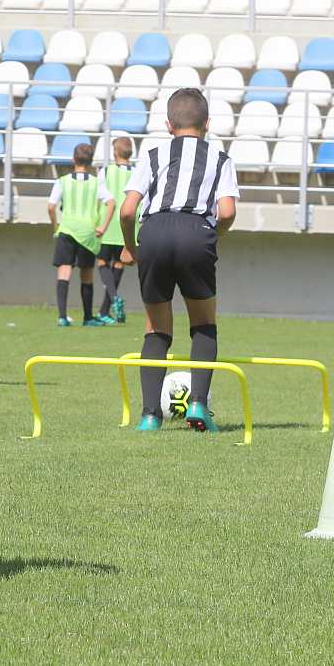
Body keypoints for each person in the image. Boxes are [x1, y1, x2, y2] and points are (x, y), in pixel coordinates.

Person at [119, 89, 239, 433]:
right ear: (208, 124)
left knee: (156, 327)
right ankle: (198, 404)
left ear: (168, 125)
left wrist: (130, 247)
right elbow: (227, 211)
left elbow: (127, 211)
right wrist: (212, 235)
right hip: (197, 231)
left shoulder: (154, 155)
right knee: (203, 323)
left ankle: (149, 416)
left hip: (153, 231)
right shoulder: (221, 159)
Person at [49, 142, 113, 327]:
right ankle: (87, 317)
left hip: (67, 229)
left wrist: (55, 226)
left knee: (64, 271)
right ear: (91, 162)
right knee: (86, 274)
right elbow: (111, 202)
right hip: (87, 233)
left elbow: (51, 206)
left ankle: (62, 317)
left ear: (73, 160)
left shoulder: (62, 181)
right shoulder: (96, 182)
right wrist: (103, 227)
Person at [93, 136, 137, 325]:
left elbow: (100, 196)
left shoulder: (106, 171)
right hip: (127, 226)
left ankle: (114, 297)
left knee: (102, 262)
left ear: (115, 152)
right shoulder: (136, 172)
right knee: (119, 264)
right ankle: (105, 311)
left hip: (108, 224)